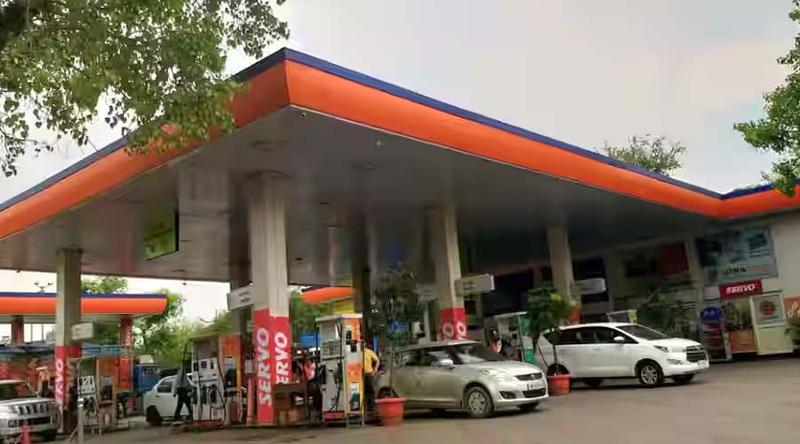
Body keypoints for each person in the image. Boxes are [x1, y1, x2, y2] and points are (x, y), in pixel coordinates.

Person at [363, 342, 380, 410]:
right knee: (363, 391)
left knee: (370, 391)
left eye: (362, 344)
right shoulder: (357, 353)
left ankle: (371, 407)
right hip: (359, 375)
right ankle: (364, 407)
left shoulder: (369, 352)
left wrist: (375, 370)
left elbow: (377, 360)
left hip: (368, 373)